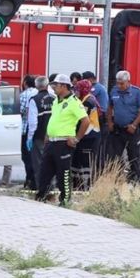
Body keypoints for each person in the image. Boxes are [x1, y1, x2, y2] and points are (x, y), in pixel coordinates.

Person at [34, 74, 90, 206]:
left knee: (63, 173)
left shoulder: (74, 102)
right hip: (51, 142)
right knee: (44, 171)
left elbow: (86, 121)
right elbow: (54, 119)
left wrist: (76, 139)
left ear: (64, 86)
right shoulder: (55, 100)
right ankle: (41, 197)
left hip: (64, 143)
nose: (53, 87)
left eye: (56, 85)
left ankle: (65, 201)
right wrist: (48, 134)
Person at [107, 70, 140, 182]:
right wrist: (110, 122)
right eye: (118, 83)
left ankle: (135, 181)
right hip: (118, 130)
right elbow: (110, 107)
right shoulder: (114, 91)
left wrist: (134, 125)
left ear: (128, 81)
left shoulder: (136, 92)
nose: (119, 85)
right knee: (115, 157)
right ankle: (118, 180)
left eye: (122, 83)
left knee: (134, 157)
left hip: (131, 130)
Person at [71, 79, 101, 190]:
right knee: (77, 160)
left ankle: (85, 187)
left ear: (83, 89)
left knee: (85, 162)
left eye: (78, 89)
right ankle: (77, 186)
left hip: (90, 137)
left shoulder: (88, 101)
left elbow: (81, 120)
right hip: (84, 136)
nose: (75, 92)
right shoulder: (84, 99)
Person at [26, 76, 54, 191]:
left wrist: (30, 137)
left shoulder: (34, 100)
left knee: (39, 164)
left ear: (36, 86)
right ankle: (51, 188)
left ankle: (42, 190)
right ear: (47, 85)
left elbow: (33, 122)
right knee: (52, 163)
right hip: (53, 136)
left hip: (39, 137)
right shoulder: (55, 98)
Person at [82, 71, 109, 166]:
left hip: (100, 120)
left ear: (90, 79)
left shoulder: (94, 89)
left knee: (98, 148)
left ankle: (98, 169)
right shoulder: (100, 87)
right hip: (100, 119)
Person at [19, 75, 38, 188]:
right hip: (39, 130)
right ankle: (34, 180)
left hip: (26, 130)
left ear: (25, 83)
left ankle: (29, 179)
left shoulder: (24, 95)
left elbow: (19, 112)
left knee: (26, 157)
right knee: (35, 156)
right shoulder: (38, 93)